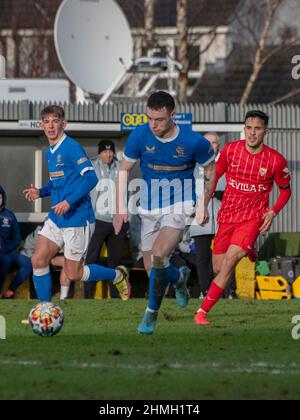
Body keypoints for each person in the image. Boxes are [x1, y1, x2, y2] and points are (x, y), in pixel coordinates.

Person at [113, 91, 216, 334]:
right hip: (148, 208)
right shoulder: (140, 134)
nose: (153, 124)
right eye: (149, 118)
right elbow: (123, 169)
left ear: (173, 115)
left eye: (159, 119)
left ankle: (151, 315)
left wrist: (203, 203)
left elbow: (210, 172)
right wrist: (119, 208)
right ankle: (179, 278)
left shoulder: (194, 142)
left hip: (179, 205)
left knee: (160, 255)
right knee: (153, 270)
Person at [23, 105, 130, 303]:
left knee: (74, 273)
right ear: (41, 125)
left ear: (64, 124)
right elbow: (57, 181)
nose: (51, 126)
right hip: (57, 217)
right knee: (38, 260)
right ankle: (45, 309)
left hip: (78, 218)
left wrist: (69, 201)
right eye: (46, 122)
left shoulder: (71, 147)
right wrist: (41, 192)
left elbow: (90, 179)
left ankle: (117, 276)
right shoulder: (50, 152)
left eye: (55, 121)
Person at [194, 110, 292, 325]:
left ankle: (202, 312)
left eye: (257, 129)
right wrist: (203, 204)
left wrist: (272, 212)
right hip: (228, 216)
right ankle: (248, 250)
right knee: (219, 267)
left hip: (252, 219)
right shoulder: (230, 151)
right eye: (248, 128)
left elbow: (285, 190)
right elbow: (214, 177)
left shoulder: (275, 161)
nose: (252, 133)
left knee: (229, 263)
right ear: (244, 129)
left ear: (266, 131)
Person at [84, 139, 129, 298]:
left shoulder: (120, 166)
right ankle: (88, 296)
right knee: (91, 258)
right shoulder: (92, 165)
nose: (108, 154)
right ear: (99, 153)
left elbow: (126, 191)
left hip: (116, 220)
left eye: (110, 151)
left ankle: (116, 296)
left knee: (114, 261)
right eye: (105, 151)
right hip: (97, 219)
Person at [190, 132, 226, 298]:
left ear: (218, 145)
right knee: (203, 259)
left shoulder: (226, 165)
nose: (212, 145)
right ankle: (205, 292)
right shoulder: (193, 165)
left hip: (221, 220)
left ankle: (225, 292)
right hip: (200, 220)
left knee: (224, 259)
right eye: (208, 142)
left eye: (214, 142)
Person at [0, 186, 32, 298]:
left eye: (0, 197)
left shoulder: (9, 215)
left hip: (7, 251)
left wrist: (7, 248)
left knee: (27, 263)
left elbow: (17, 239)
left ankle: (10, 291)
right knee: (4, 262)